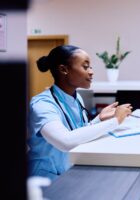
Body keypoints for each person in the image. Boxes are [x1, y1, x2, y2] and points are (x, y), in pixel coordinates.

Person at [27, 45, 132, 180]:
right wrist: (115, 121)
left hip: (69, 171)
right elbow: (65, 141)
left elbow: (78, 132)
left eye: (90, 67)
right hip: (46, 179)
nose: (91, 72)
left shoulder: (76, 97)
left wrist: (99, 119)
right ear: (64, 69)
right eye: (85, 66)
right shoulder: (42, 104)